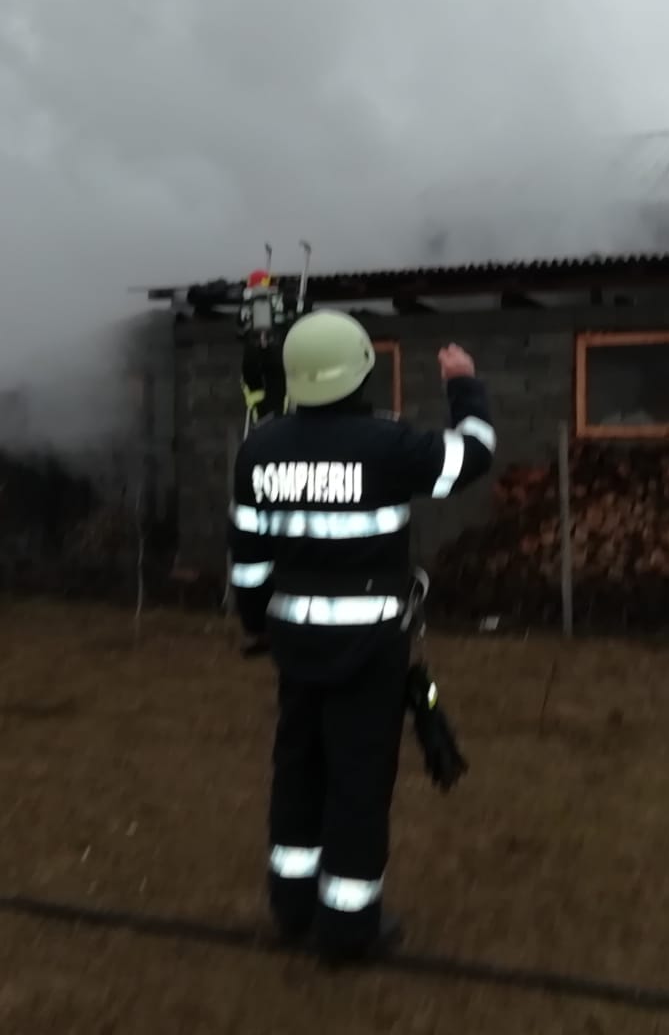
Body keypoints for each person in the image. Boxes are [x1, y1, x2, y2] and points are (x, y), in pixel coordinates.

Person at [227, 309, 494, 964]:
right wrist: (463, 384)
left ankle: (292, 908)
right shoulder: (388, 445)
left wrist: (260, 623)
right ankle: (348, 926)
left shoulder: (258, 450)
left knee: (297, 772)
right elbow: (473, 456)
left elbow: (249, 564)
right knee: (357, 782)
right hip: (371, 650)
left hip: (295, 647)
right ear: (360, 372)